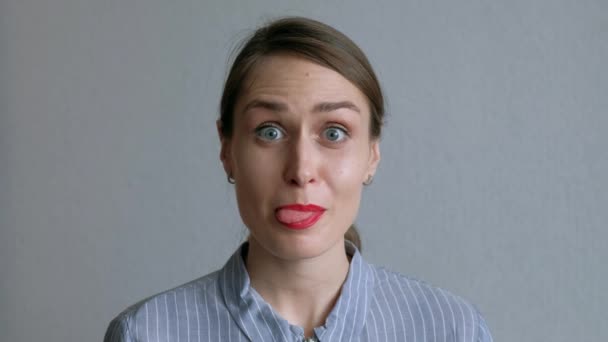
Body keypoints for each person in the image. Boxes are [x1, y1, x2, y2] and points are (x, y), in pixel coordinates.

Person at [104, 16, 493, 342]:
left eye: (334, 133)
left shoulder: (451, 330)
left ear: (372, 154)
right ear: (227, 149)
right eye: (270, 131)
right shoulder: (148, 333)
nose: (301, 170)